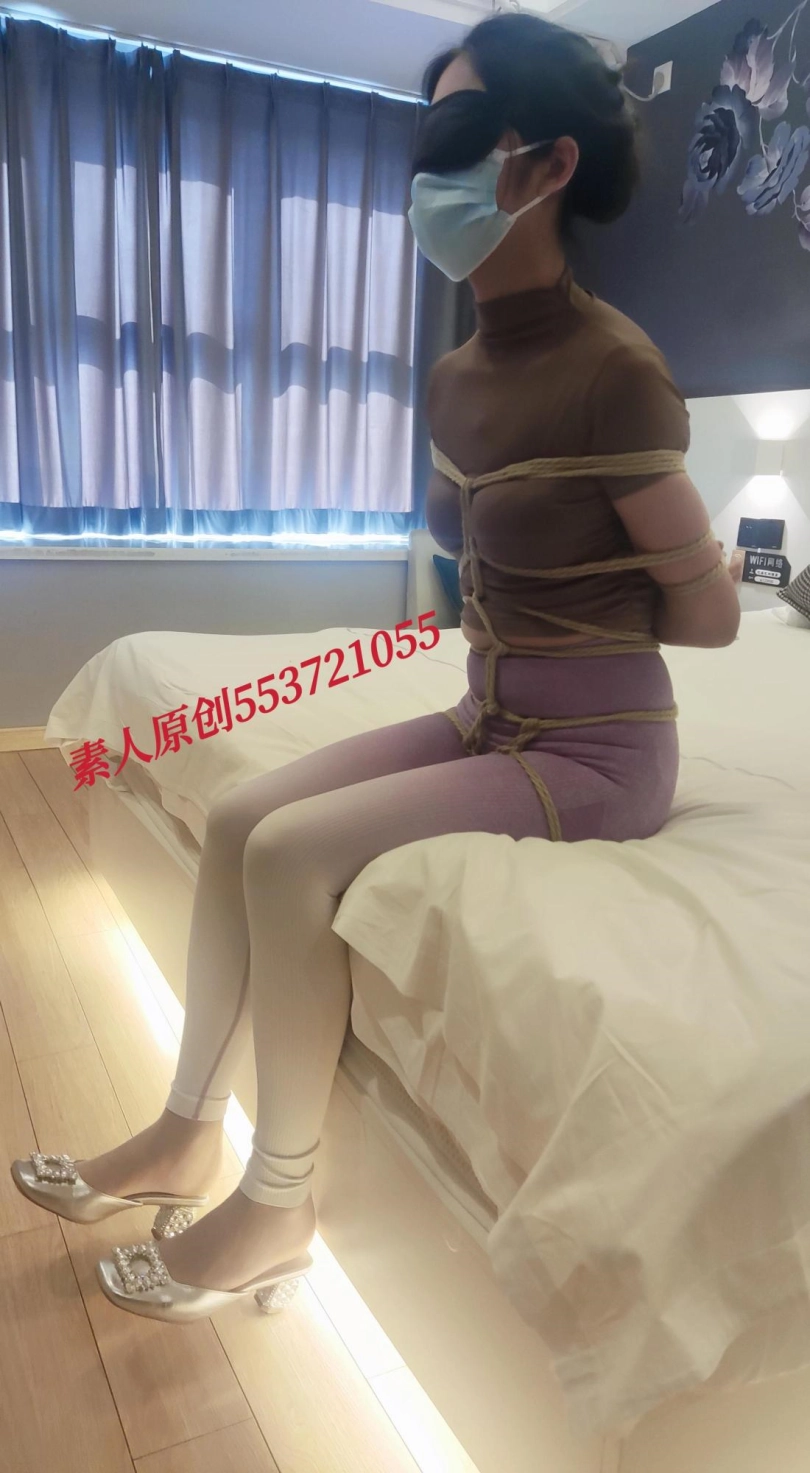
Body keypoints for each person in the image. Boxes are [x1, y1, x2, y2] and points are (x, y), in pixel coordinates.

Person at [11, 13, 741, 1321]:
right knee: (240, 815)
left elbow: (713, 626)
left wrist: (673, 571)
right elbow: (463, 569)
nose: (427, 175)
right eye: (426, 141)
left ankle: (278, 1203)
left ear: (548, 166)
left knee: (294, 855)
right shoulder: (454, 374)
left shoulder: (620, 375)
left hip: (598, 752)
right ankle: (184, 1132)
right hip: (484, 714)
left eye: (461, 136)